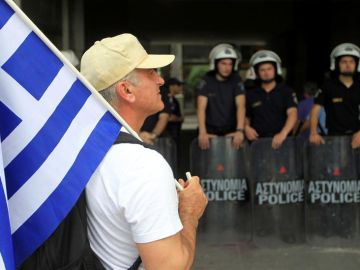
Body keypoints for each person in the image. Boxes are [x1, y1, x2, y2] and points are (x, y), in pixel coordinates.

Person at [80, 33, 208, 270]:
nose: (160, 81)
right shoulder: (141, 165)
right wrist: (189, 212)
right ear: (126, 90)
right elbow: (170, 267)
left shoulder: (80, 146)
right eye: (151, 73)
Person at [309, 43, 360, 148]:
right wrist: (313, 132)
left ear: (356, 64)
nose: (348, 65)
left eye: (351, 62)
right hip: (334, 139)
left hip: (357, 138)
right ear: (337, 64)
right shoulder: (328, 86)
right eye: (344, 62)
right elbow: (315, 110)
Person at [244, 50, 298, 149]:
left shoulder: (286, 91)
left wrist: (283, 133)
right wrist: (246, 127)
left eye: (269, 69)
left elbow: (293, 114)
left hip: (283, 143)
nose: (266, 73)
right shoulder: (251, 93)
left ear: (276, 70)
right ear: (257, 73)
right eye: (262, 70)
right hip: (257, 145)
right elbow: (246, 115)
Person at [196, 43, 245, 150]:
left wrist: (240, 131)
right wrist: (202, 132)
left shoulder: (236, 80)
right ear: (215, 64)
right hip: (210, 131)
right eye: (223, 63)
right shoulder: (206, 80)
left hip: (231, 131)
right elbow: (201, 108)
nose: (227, 67)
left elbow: (241, 106)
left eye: (230, 64)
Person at [164, 77, 185, 148]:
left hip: (175, 133)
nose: (180, 87)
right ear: (171, 86)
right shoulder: (164, 98)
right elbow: (167, 116)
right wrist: (180, 118)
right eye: (178, 85)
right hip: (165, 134)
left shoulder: (174, 100)